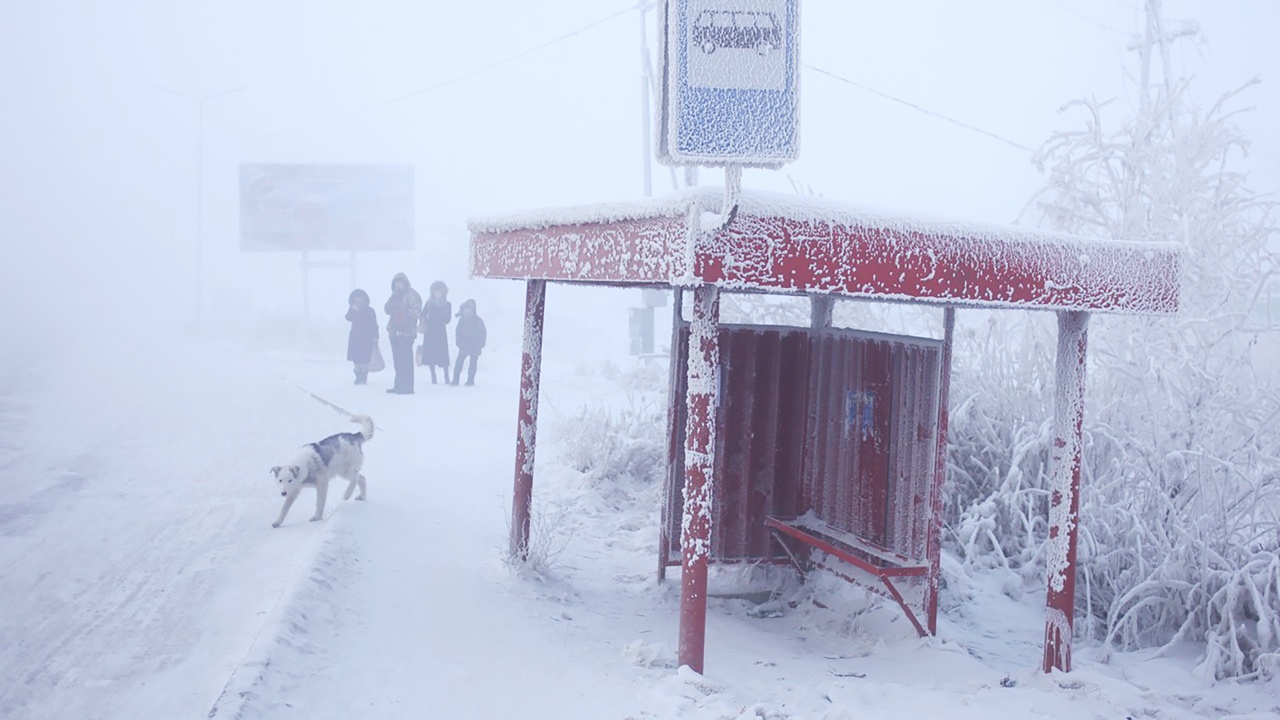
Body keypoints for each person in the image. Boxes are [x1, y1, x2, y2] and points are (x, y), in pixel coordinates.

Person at [383, 272, 422, 394]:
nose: (398, 285)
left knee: (406, 361)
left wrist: (405, 309)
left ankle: (408, 387)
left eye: (400, 283)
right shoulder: (394, 296)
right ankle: (398, 385)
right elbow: (386, 309)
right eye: (396, 283)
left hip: (407, 332)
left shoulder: (412, 295)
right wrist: (394, 300)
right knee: (398, 361)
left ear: (405, 283)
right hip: (394, 332)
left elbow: (417, 313)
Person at [419, 280, 452, 385]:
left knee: (443, 354)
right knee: (431, 354)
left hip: (441, 332)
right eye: (435, 291)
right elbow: (422, 315)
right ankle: (433, 376)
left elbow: (447, 320)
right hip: (430, 331)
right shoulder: (428, 304)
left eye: (439, 291)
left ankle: (446, 376)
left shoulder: (447, 305)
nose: (437, 293)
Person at [345, 289, 378, 385]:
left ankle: (363, 377)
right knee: (356, 360)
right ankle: (357, 377)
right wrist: (353, 309)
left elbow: (374, 325)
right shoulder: (353, 310)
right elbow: (348, 317)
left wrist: (375, 337)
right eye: (356, 299)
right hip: (355, 338)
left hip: (366, 339)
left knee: (364, 359)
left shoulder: (370, 311)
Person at [450, 298, 486, 386]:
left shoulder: (478, 320)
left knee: (473, 363)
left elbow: (483, 333)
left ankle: (470, 380)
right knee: (459, 361)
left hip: (475, 344)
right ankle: (455, 380)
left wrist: (481, 344)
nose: (467, 311)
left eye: (469, 309)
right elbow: (457, 332)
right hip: (464, 343)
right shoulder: (461, 320)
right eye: (465, 309)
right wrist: (458, 342)